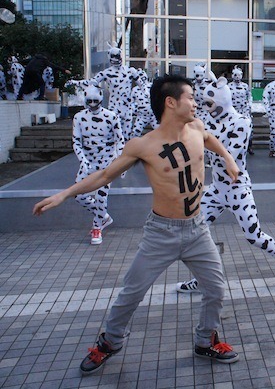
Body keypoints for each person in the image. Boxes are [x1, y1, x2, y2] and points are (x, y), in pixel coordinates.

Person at [33, 74, 241, 374]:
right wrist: (64, 193)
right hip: (161, 233)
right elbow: (104, 175)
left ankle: (205, 341)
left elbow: (210, 139)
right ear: (171, 102)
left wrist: (228, 158)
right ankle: (110, 342)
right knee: (131, 293)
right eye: (191, 98)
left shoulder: (196, 127)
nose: (197, 103)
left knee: (216, 289)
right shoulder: (143, 145)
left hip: (197, 230)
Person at [176, 74, 275, 292]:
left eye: (209, 104)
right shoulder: (206, 123)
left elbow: (228, 156)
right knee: (192, 232)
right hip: (217, 189)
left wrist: (197, 143)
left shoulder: (241, 123)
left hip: (238, 188)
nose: (206, 109)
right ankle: (203, 278)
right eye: (204, 104)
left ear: (222, 101)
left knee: (254, 235)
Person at [72, 84, 124, 245]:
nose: (93, 104)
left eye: (95, 100)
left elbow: (119, 140)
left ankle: (97, 227)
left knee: (101, 196)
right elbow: (76, 141)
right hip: (88, 162)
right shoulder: (79, 117)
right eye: (89, 101)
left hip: (106, 162)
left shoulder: (111, 116)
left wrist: (121, 164)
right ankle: (103, 217)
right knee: (78, 195)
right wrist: (83, 160)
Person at [229, 65, 254, 155]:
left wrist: (249, 105)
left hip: (244, 110)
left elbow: (250, 96)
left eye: (239, 75)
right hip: (234, 111)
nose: (237, 77)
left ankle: (249, 146)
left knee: (249, 127)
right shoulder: (229, 86)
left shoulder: (245, 86)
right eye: (235, 75)